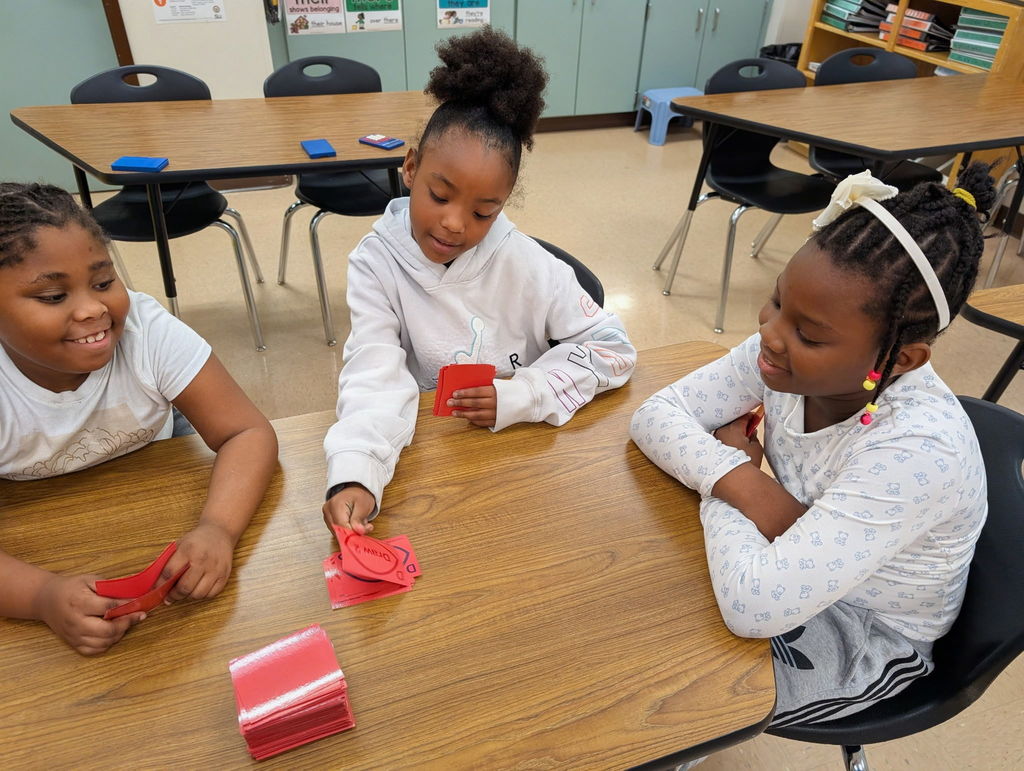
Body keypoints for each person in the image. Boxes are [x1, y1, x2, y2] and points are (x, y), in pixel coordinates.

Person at [630, 165, 995, 727]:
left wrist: (738, 481)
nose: (770, 333)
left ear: (899, 360)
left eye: (810, 334)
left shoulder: (919, 452)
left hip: (866, 633)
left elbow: (754, 606)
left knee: (649, 695)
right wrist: (751, 489)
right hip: (796, 567)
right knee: (633, 595)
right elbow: (656, 416)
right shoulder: (782, 356)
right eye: (776, 301)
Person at [323, 27, 636, 536]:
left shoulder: (526, 263)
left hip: (526, 460)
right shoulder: (376, 263)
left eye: (483, 212)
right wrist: (356, 473)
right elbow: (374, 375)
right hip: (431, 462)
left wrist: (528, 392)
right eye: (440, 195)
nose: (454, 224)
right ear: (410, 166)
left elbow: (615, 349)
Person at [0, 182, 278, 655]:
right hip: (37, 520)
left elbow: (248, 431)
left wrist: (217, 528)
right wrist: (42, 596)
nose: (93, 309)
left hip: (156, 475)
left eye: (104, 282)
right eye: (52, 297)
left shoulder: (147, 332)